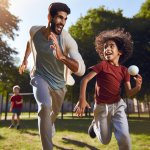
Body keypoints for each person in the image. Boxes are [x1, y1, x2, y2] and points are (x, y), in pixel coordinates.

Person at [19, 2, 85, 150]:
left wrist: (62, 57)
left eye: (65, 19)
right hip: (39, 76)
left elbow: (80, 68)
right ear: (50, 17)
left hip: (59, 84)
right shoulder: (34, 31)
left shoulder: (67, 40)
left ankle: (51, 123)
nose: (62, 22)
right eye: (59, 17)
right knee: (44, 106)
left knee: (53, 113)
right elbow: (29, 42)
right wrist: (25, 60)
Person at [74, 28, 142, 150]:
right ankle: (95, 125)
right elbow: (84, 80)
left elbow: (129, 93)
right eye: (105, 47)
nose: (107, 49)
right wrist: (82, 99)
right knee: (105, 140)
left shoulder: (124, 71)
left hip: (118, 106)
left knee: (125, 138)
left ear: (119, 52)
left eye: (111, 46)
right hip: (101, 107)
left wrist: (137, 87)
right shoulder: (102, 65)